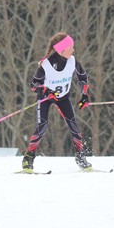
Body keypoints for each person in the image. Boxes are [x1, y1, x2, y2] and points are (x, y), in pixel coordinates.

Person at [21, 32, 92, 173]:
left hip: (63, 98)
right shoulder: (46, 65)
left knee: (74, 127)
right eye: (70, 47)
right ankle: (28, 158)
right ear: (61, 50)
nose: (73, 50)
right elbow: (33, 85)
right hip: (46, 99)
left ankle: (80, 157)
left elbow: (83, 78)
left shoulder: (72, 61)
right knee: (42, 125)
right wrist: (47, 92)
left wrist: (85, 96)